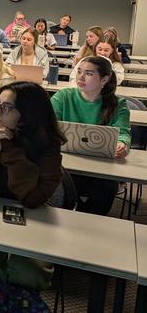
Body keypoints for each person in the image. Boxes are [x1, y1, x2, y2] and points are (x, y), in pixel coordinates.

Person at [0, 82, 64, 309]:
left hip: (32, 218)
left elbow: (33, 198)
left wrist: (10, 150)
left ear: (26, 115)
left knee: (28, 271)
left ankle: (7, 297)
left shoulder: (48, 145)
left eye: (6, 108)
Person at [51, 56, 131, 215]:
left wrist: (122, 144)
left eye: (88, 73)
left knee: (105, 190)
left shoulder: (118, 104)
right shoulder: (63, 96)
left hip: (102, 168)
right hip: (66, 162)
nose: (80, 77)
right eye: (79, 71)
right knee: (55, 184)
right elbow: (47, 125)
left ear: (104, 79)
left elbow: (123, 133)